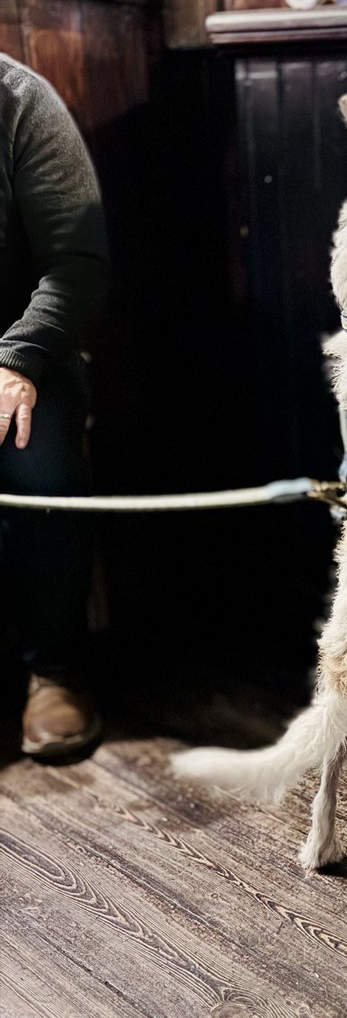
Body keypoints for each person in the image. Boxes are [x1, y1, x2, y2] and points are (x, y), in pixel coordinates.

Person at [0, 54, 109, 759]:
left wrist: (17, 360)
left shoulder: (20, 102)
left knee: (37, 454)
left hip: (18, 355)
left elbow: (78, 261)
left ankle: (54, 670)